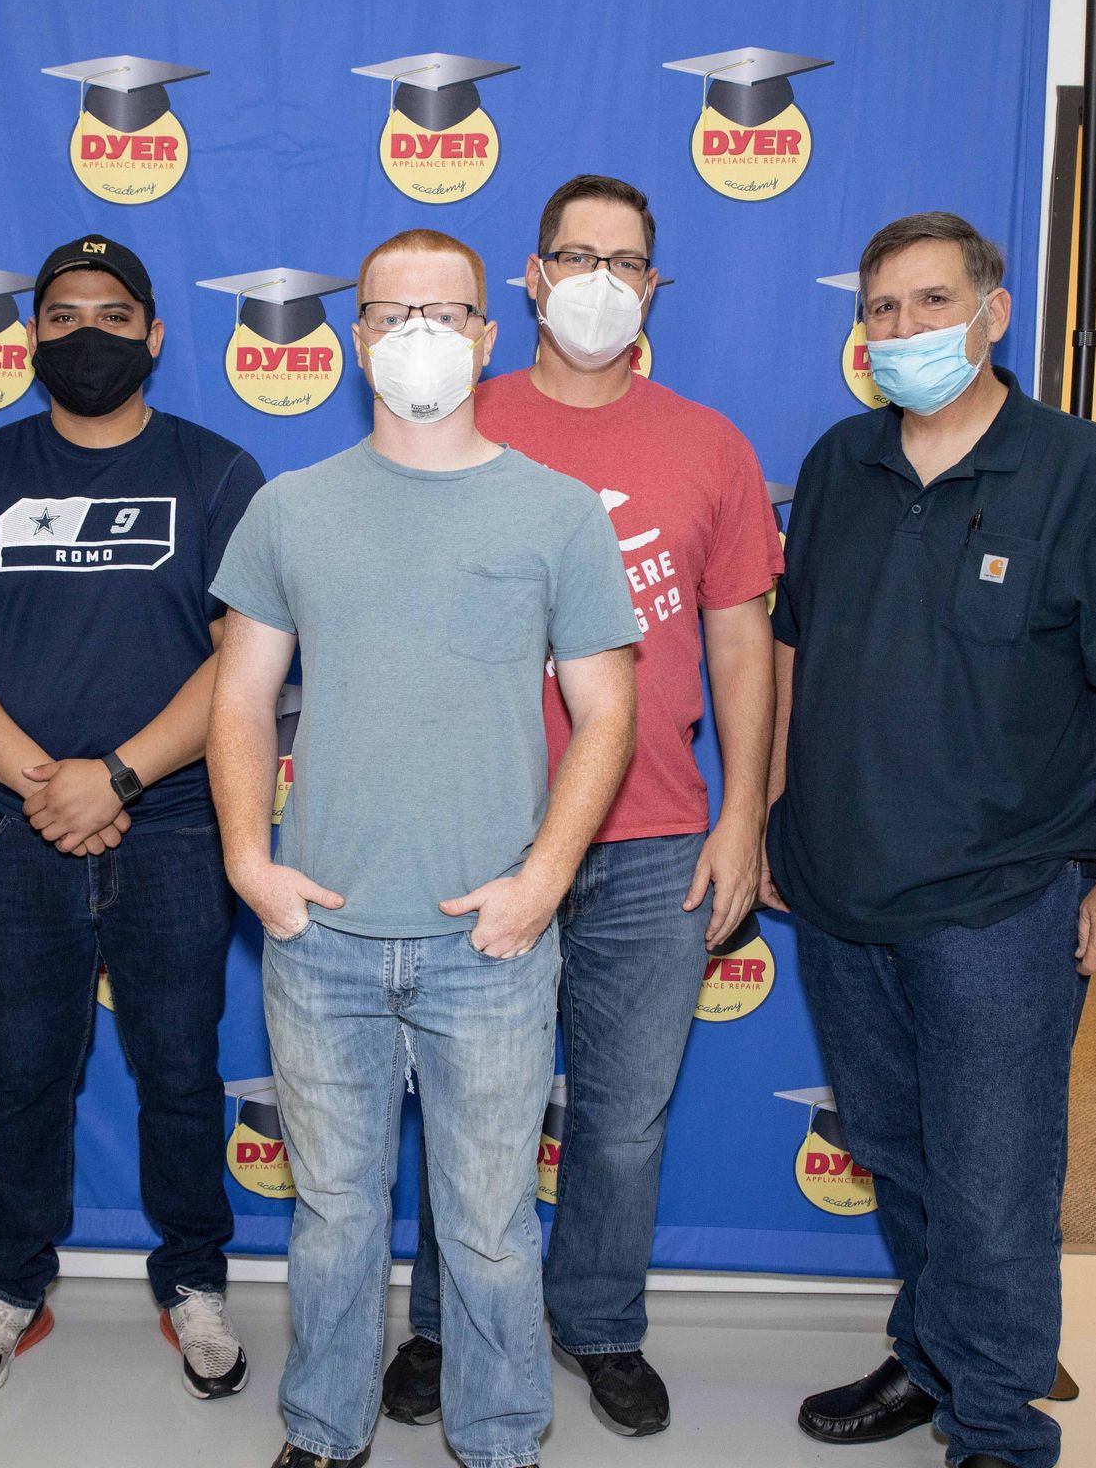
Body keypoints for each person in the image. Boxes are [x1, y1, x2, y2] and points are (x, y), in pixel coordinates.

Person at [208, 227, 641, 1468]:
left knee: (492, 1230)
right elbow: (241, 698)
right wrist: (249, 862)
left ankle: (499, 1440)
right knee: (334, 1218)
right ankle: (323, 1429)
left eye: (443, 314)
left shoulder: (558, 512)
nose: (417, 336)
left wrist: (541, 884)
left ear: (488, 335)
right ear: (355, 338)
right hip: (321, 937)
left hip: (488, 944)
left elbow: (607, 714)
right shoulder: (290, 509)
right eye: (392, 314)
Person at [764, 212, 1096, 1468]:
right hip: (843, 892)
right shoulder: (838, 465)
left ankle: (997, 1429)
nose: (904, 328)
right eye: (882, 309)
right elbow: (793, 651)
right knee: (898, 1156)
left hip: (1006, 902)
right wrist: (780, 816)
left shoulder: (1085, 473)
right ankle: (932, 1353)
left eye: (931, 302)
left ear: (995, 313)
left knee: (994, 1180)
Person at [385, 174, 783, 1440]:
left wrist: (745, 816)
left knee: (622, 1120)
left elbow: (742, 644)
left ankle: (601, 1322)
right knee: (468, 1111)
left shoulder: (711, 446)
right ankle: (445, 1323)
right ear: (532, 277)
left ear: (654, 285)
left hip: (656, 838)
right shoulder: (460, 420)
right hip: (481, 834)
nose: (600, 281)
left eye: (626, 260)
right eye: (575, 255)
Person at [0, 235, 263, 1405]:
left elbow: (244, 657)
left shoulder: (218, 472)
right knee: (28, 1073)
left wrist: (115, 777)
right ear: (30, 340)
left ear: (154, 335)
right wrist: (42, 781)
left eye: (113, 315)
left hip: (177, 824)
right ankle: (11, 1284)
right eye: (62, 316)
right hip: (18, 828)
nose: (88, 333)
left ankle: (194, 1280)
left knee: (181, 1071)